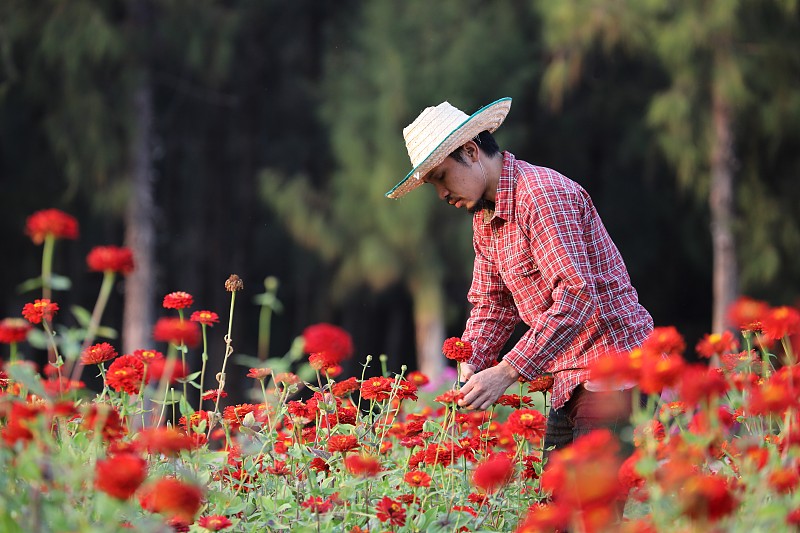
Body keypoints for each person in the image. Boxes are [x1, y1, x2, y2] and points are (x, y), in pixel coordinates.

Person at [386, 97, 654, 461]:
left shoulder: (541, 196)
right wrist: (471, 364)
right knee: (555, 511)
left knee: (590, 512)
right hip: (569, 378)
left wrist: (505, 372)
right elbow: (492, 305)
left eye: (441, 177)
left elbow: (576, 295)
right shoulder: (485, 218)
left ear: (470, 150)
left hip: (614, 368)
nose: (442, 194)